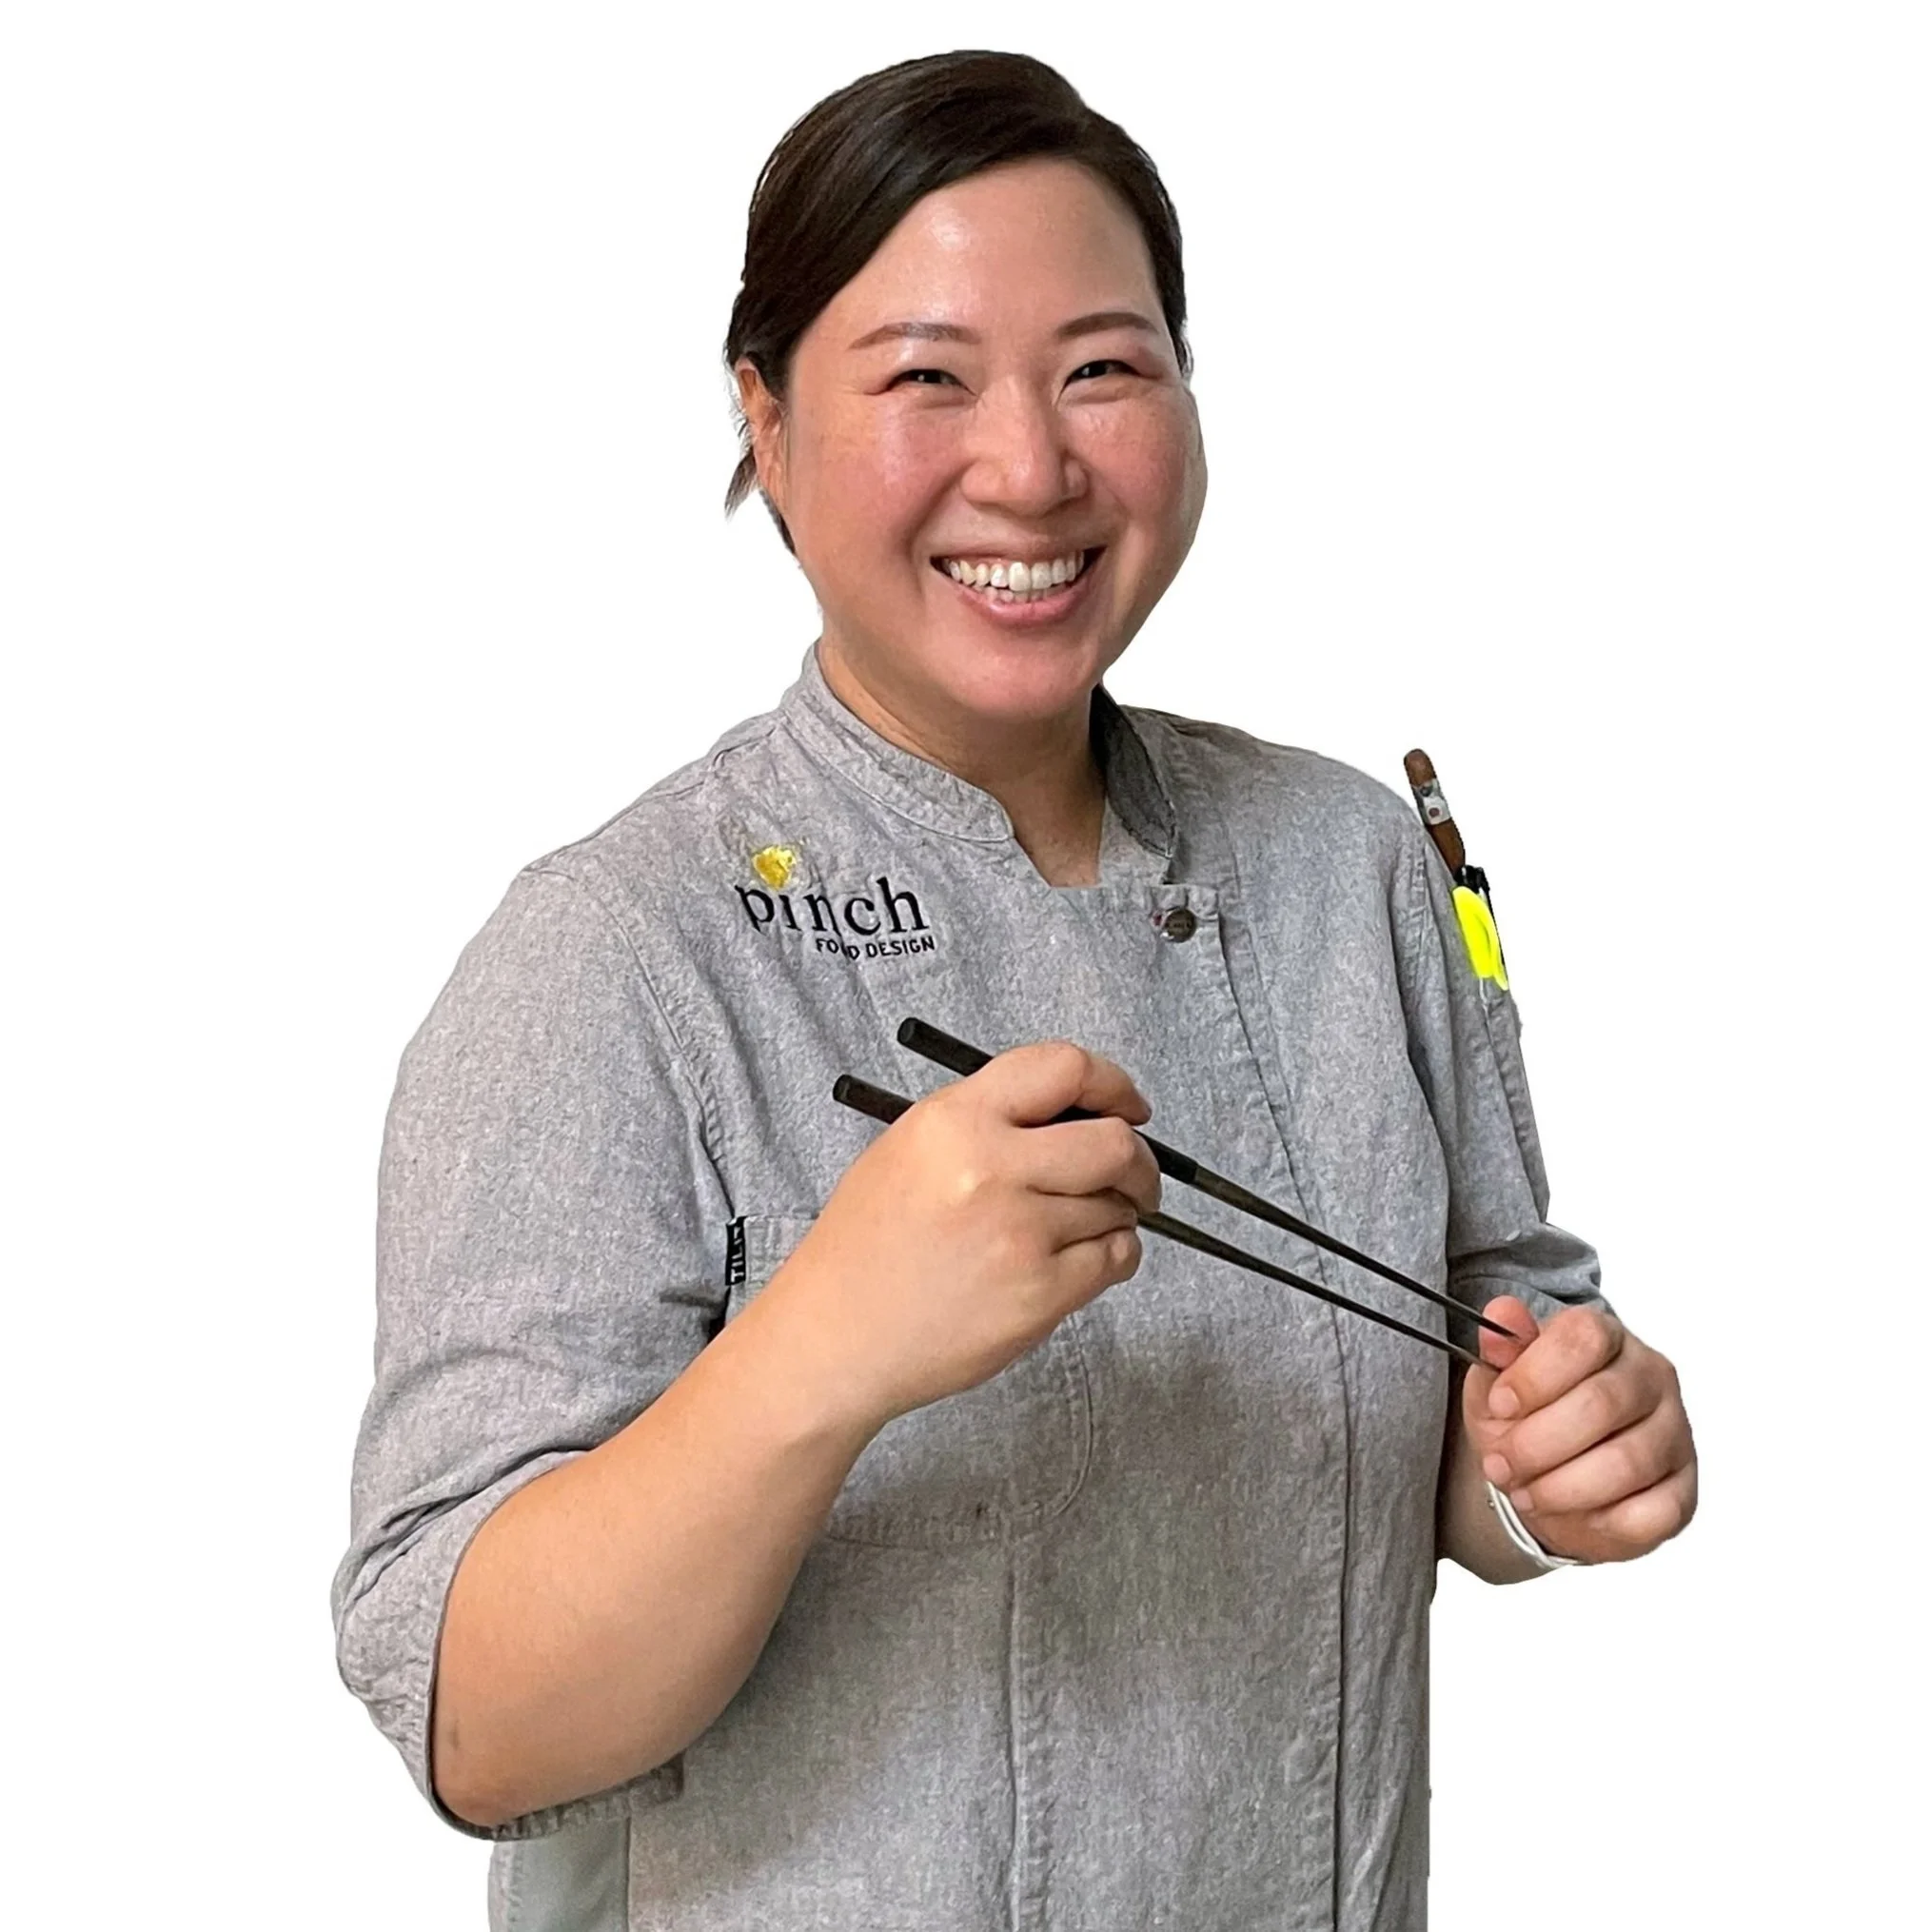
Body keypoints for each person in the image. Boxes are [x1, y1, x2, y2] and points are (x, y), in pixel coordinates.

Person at [330, 49, 1698, 1932]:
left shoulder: (1352, 867)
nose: (1033, 468)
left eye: (1105, 369)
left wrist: (1549, 1459)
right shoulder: (615, 950)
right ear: (766, 420)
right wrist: (826, 1345)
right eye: (926, 378)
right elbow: (478, 1718)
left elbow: (1480, 1371)